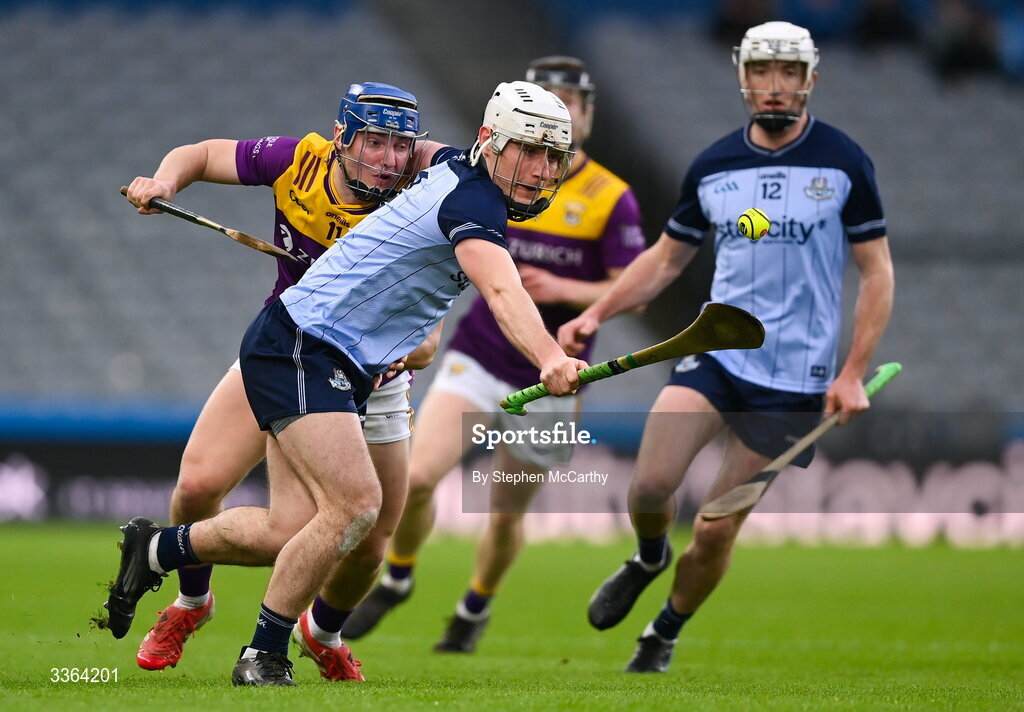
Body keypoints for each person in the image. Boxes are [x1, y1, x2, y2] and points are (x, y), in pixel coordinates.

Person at [104, 80, 587, 687]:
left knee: (299, 528)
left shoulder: (448, 164)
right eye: (526, 151)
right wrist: (548, 355)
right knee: (353, 504)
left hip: (346, 361)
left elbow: (432, 313)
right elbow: (500, 289)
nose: (539, 170)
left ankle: (155, 551)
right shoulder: (475, 203)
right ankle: (261, 652)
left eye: (551, 157)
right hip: (304, 345)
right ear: (489, 142)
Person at [558, 21, 894, 673]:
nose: (774, 87)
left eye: (788, 74)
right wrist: (595, 311)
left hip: (797, 381)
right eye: (762, 73)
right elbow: (663, 260)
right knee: (652, 484)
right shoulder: (714, 165)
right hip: (715, 352)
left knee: (715, 527)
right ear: (743, 78)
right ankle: (649, 556)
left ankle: (663, 631)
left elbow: (877, 271)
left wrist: (853, 372)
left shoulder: (844, 162)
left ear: (810, 80)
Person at [123, 82, 441, 681]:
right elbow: (202, 153)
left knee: (371, 542)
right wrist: (164, 182)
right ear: (343, 136)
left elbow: (429, 340)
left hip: (374, 380)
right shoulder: (300, 161)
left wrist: (402, 347)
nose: (388, 159)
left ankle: (322, 633)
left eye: (401, 146)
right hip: (286, 354)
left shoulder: (420, 202)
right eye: (375, 141)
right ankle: (192, 603)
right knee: (196, 487)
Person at [340, 56, 646, 654]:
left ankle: (474, 605)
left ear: (585, 115)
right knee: (421, 475)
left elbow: (631, 286)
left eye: (570, 101)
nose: (557, 112)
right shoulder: (492, 174)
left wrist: (568, 292)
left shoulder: (612, 197)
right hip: (479, 352)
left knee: (505, 512)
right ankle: (399, 575)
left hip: (559, 378)